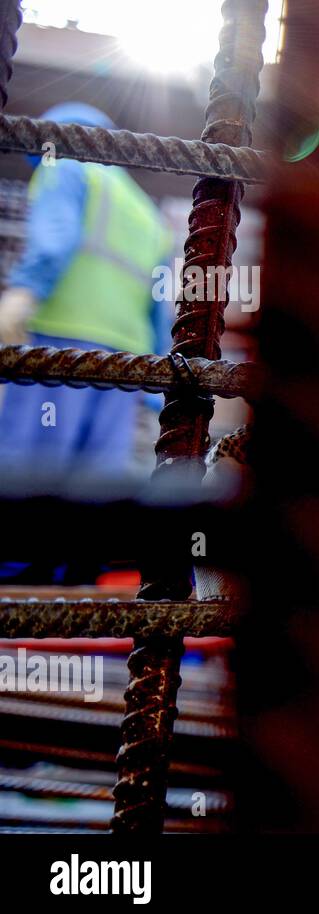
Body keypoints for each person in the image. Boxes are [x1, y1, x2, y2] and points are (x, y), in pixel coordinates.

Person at [0, 103, 173, 583]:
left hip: (59, 349)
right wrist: (157, 385)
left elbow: (53, 242)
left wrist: (20, 296)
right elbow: (162, 309)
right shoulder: (146, 212)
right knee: (99, 480)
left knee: (30, 470)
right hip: (123, 364)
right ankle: (76, 586)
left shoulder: (67, 167)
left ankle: (16, 586)